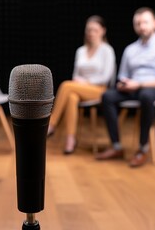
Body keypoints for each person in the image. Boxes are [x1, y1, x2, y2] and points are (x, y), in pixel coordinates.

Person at [95, 7, 155, 167]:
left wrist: (140, 84)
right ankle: (116, 146)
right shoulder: (130, 49)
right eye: (138, 23)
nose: (142, 26)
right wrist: (123, 85)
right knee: (107, 96)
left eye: (145, 22)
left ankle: (143, 148)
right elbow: (122, 76)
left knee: (146, 95)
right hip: (133, 89)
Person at [47, 15, 116, 154]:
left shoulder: (107, 50)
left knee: (67, 85)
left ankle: (51, 124)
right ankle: (70, 140)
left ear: (103, 31)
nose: (91, 33)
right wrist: (80, 83)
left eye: (95, 30)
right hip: (79, 89)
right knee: (72, 96)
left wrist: (86, 82)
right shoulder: (81, 51)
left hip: (100, 89)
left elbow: (106, 77)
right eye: (89, 30)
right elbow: (75, 75)